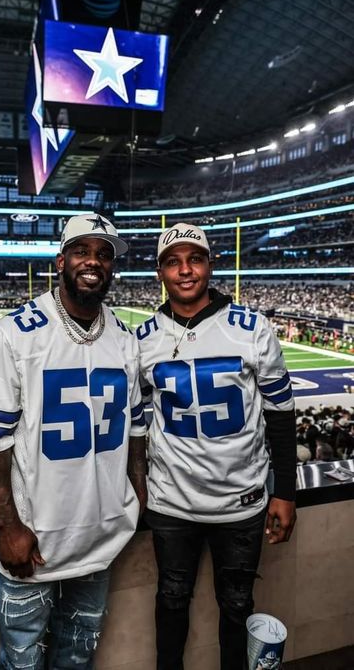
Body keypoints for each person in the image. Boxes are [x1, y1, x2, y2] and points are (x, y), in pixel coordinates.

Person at [0, 213, 147, 670]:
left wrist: (137, 494)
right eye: (82, 250)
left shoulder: (124, 339)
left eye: (104, 254)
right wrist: (8, 526)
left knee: (77, 659)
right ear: (60, 260)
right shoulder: (15, 333)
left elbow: (134, 430)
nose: (94, 261)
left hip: (100, 540)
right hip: (33, 541)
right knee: (21, 662)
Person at [136, 223, 297, 670]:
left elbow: (280, 415)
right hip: (171, 501)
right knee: (170, 602)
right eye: (173, 262)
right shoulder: (144, 338)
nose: (185, 271)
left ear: (210, 265)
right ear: (160, 272)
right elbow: (132, 426)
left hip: (241, 499)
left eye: (195, 259)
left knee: (237, 605)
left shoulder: (252, 328)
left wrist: (285, 490)